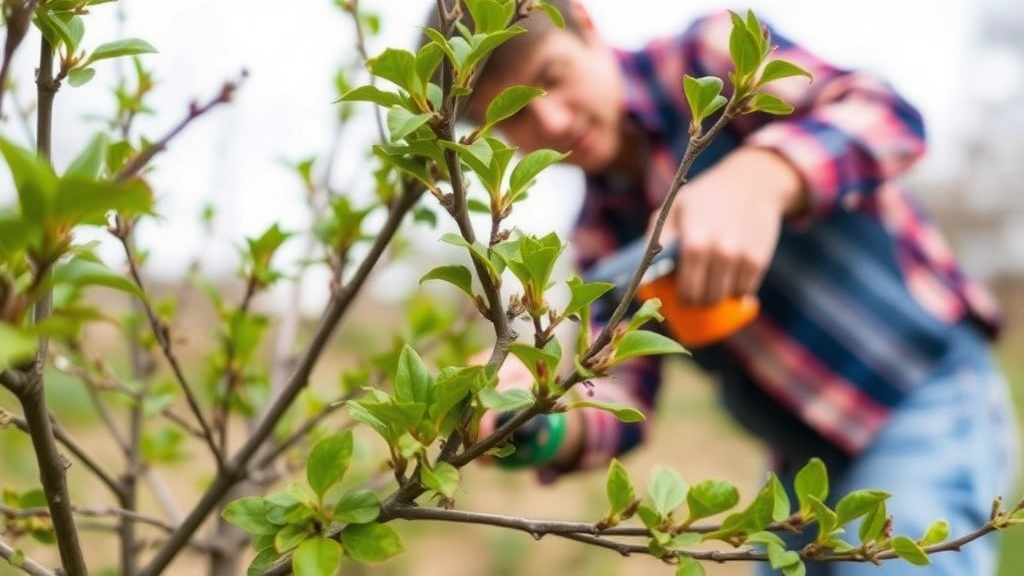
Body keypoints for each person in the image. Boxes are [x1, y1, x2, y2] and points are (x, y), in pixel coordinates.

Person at [421, 2, 1020, 574]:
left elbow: (888, 115)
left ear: (584, 22)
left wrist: (765, 174)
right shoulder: (603, 240)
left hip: (922, 395)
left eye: (552, 77)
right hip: (801, 460)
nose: (551, 120)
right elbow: (621, 396)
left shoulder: (706, 64)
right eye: (517, 114)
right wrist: (530, 418)